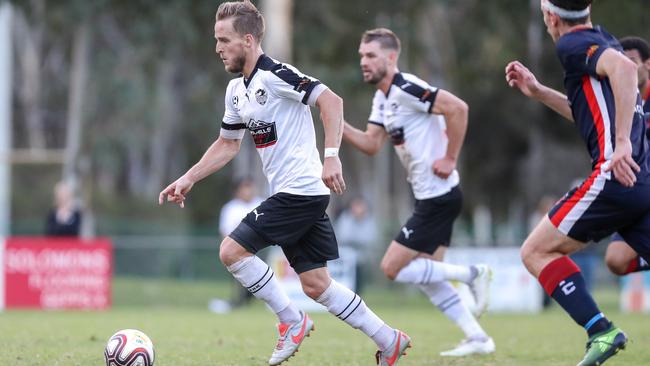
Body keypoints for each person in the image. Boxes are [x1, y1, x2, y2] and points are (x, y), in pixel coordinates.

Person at [159, 2, 410, 365]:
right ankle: (389, 340)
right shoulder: (235, 91)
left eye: (223, 40)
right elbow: (228, 144)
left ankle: (291, 320)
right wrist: (188, 178)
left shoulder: (276, 74)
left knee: (231, 251)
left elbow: (332, 102)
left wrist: (331, 155)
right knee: (316, 285)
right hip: (297, 195)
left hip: (301, 191)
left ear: (247, 40)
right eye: (216, 40)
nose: (217, 48)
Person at [506, 0, 650, 364]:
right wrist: (539, 92)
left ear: (552, 17)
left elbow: (625, 70)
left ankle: (600, 329)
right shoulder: (603, 38)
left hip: (614, 177)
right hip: (639, 180)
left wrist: (620, 145)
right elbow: (590, 113)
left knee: (535, 251)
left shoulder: (570, 44)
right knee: (616, 260)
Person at [342, 28, 495, 357]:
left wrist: (450, 157)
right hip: (431, 196)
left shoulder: (407, 88)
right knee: (428, 277)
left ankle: (474, 274)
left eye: (370, 55)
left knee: (391, 268)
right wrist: (336, 124)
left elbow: (459, 109)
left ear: (391, 57)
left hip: (438, 196)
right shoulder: (383, 98)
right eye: (361, 56)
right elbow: (371, 144)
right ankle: (478, 337)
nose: (363, 62)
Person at [605, 36, 650, 276]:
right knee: (616, 260)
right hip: (636, 189)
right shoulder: (620, 102)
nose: (627, 67)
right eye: (621, 61)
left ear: (648, 65)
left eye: (632, 61)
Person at [219, 177, 264, 309]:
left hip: (260, 248)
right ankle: (239, 301)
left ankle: (250, 300)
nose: (248, 191)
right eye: (244, 188)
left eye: (250, 187)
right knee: (241, 279)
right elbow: (225, 231)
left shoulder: (261, 204)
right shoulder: (230, 208)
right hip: (238, 249)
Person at [334, 197, 378, 294]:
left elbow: (370, 238)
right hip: (345, 258)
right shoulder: (345, 218)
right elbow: (342, 236)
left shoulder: (368, 220)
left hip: (361, 259)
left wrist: (355, 240)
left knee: (359, 283)